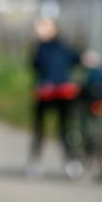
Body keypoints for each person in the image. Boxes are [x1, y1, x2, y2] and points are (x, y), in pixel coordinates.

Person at [28, 16, 82, 176]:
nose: (39, 30)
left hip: (56, 92)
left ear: (54, 29)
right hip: (49, 92)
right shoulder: (45, 47)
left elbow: (35, 65)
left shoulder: (52, 47)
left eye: (43, 27)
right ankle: (37, 161)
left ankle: (69, 161)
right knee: (45, 129)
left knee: (61, 129)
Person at [76, 49, 102, 182]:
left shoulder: (91, 75)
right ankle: (100, 167)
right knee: (98, 136)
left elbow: (81, 92)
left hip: (90, 111)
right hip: (100, 109)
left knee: (91, 136)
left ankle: (93, 165)